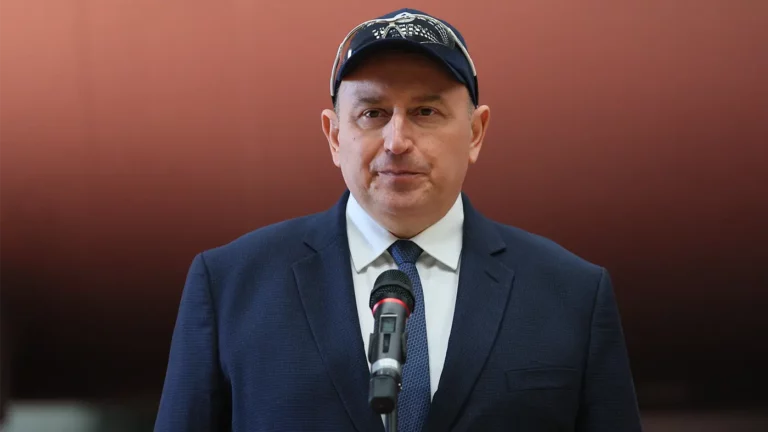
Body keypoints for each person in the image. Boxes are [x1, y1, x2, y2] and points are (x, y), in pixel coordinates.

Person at [154, 8, 643, 432]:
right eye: (372, 113)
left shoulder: (571, 295)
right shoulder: (231, 286)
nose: (397, 141)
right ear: (334, 136)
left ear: (475, 132)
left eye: (426, 111)